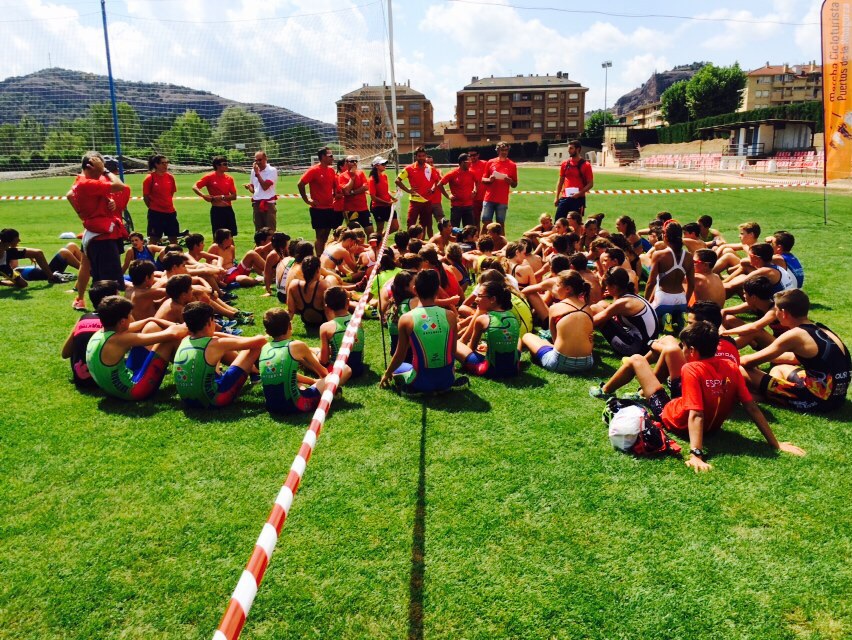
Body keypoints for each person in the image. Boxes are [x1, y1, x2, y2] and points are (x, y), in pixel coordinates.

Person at [590, 321, 804, 472]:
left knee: (637, 360)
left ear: (692, 350)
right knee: (668, 355)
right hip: (707, 423)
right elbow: (751, 407)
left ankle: (605, 390)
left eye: (683, 347)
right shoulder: (731, 366)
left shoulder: (691, 369)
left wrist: (696, 454)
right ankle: (634, 390)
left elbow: (696, 414)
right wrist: (775, 444)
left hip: (673, 417)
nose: (682, 350)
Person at [741, 289, 851, 413]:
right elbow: (793, 358)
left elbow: (746, 362)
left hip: (817, 401)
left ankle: (769, 397)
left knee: (740, 369)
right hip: (837, 398)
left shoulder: (796, 335)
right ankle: (772, 395)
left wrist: (730, 357)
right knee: (779, 369)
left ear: (783, 313)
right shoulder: (821, 329)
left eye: (776, 310)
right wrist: (764, 356)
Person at [380, 269, 467, 394]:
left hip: (419, 382)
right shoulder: (450, 316)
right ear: (437, 291)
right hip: (447, 379)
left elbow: (400, 354)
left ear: (415, 290)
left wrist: (387, 373)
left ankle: (416, 388)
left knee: (400, 367)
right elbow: (452, 350)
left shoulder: (406, 318)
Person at [85, 296, 187, 401]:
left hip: (113, 389)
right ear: (122, 322)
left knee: (151, 326)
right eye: (130, 314)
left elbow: (146, 322)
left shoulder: (100, 333)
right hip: (134, 391)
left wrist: (151, 319)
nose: (131, 317)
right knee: (168, 341)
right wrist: (187, 325)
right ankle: (188, 379)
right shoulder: (120, 339)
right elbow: (173, 334)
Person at [173, 301, 266, 408]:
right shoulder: (215, 344)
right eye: (214, 321)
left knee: (215, 343)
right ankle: (255, 373)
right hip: (214, 400)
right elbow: (260, 341)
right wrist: (252, 338)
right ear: (209, 322)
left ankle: (254, 372)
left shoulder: (185, 340)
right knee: (254, 348)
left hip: (188, 400)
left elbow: (215, 337)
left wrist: (217, 334)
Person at [260, 307, 351, 415]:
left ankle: (306, 390)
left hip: (272, 407)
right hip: (297, 406)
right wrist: (322, 382)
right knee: (345, 369)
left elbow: (284, 375)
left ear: (267, 331)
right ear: (290, 326)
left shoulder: (264, 348)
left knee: (289, 380)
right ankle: (328, 394)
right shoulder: (296, 345)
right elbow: (323, 373)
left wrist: (312, 381)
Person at [66, 151, 130, 291]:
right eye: (100, 167)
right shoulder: (88, 183)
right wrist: (105, 170)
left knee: (87, 266)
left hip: (93, 230)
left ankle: (80, 297)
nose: (101, 172)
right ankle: (106, 302)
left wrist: (107, 201)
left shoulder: (80, 180)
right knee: (109, 280)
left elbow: (70, 195)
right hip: (103, 235)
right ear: (91, 166)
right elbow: (120, 186)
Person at [522, 271, 595, 374]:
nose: (554, 288)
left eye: (557, 285)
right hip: (587, 363)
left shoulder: (555, 308)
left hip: (560, 363)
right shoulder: (588, 308)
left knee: (528, 336)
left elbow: (555, 340)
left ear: (568, 289)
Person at [456, 280, 521, 378]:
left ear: (493, 299)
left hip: (490, 371)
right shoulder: (512, 316)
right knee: (519, 339)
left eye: (480, 296)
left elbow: (471, 348)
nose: (476, 299)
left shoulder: (482, 319)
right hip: (513, 369)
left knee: (454, 343)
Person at [61, 280, 119, 387]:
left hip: (80, 379)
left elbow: (65, 353)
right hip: (103, 380)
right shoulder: (114, 322)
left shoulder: (83, 318)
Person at [592, 267, 659, 356]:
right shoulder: (631, 296)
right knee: (601, 303)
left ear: (614, 287)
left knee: (595, 309)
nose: (606, 288)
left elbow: (595, 320)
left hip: (639, 349)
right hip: (647, 344)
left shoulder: (623, 302)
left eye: (607, 285)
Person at [297, 147, 341, 256]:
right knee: (320, 235)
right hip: (318, 209)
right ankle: (318, 258)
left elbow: (334, 186)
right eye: (330, 156)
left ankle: (323, 257)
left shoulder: (331, 170)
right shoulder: (314, 170)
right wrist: (307, 200)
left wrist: (336, 193)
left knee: (326, 234)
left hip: (330, 207)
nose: (333, 158)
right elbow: (300, 184)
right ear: (323, 157)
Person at [319, 286, 365, 377]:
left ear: (327, 307)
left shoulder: (325, 327)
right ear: (347, 302)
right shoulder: (358, 321)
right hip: (358, 369)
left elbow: (324, 360)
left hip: (338, 372)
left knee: (314, 354)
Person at [396, 146, 441, 238]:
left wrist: (433, 189)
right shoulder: (409, 168)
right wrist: (408, 190)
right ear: (415, 157)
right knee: (410, 223)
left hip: (427, 201)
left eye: (423, 156)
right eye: (419, 156)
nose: (422, 158)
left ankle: (423, 243)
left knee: (425, 225)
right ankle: (409, 242)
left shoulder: (430, 168)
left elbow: (437, 181)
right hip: (414, 201)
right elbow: (397, 180)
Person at [193, 156, 238, 236]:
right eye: (224, 164)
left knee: (230, 235)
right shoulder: (209, 177)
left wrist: (222, 197)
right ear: (217, 165)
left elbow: (234, 196)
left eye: (227, 164)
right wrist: (203, 195)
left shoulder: (229, 178)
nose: (227, 166)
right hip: (217, 211)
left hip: (228, 209)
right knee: (218, 236)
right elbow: (195, 187)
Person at [480, 141, 518, 233]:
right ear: (497, 151)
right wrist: (489, 180)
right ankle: (482, 241)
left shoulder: (512, 165)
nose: (504, 152)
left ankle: (502, 242)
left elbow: (515, 184)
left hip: (502, 200)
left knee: (500, 224)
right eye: (502, 150)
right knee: (486, 223)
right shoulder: (490, 162)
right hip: (489, 198)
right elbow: (483, 179)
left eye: (506, 150)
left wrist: (510, 181)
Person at [143, 154, 180, 244]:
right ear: (156, 164)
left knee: (173, 238)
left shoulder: (170, 177)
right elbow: (146, 197)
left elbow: (171, 193)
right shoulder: (150, 178)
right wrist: (154, 207)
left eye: (167, 162)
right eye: (163, 163)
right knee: (153, 239)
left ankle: (174, 253)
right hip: (156, 213)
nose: (165, 165)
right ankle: (150, 254)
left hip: (170, 212)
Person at [553, 139, 593, 220]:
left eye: (571, 148)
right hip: (565, 198)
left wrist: (579, 193)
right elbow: (560, 181)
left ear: (578, 149)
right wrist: (556, 197)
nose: (569, 150)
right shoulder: (565, 164)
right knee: (558, 222)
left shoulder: (586, 165)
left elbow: (590, 184)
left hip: (578, 199)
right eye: (568, 148)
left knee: (575, 224)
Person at [287, 255, 329, 328]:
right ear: (318, 269)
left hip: (307, 321)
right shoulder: (323, 285)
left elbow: (290, 311)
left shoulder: (294, 285)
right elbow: (329, 310)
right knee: (331, 278)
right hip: (323, 321)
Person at [244, 150, 278, 232]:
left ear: (266, 159)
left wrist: (257, 174)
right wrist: (249, 187)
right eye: (256, 160)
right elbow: (254, 190)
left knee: (270, 230)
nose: (258, 162)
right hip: (257, 203)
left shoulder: (272, 170)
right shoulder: (253, 171)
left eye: (260, 160)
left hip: (268, 204)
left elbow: (265, 187)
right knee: (258, 231)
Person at [342, 155, 372, 233]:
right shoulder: (342, 176)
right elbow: (346, 191)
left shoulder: (361, 173)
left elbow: (366, 187)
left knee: (370, 230)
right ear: (346, 163)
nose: (355, 163)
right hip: (350, 209)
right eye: (352, 161)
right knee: (354, 233)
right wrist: (352, 178)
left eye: (356, 161)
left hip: (363, 208)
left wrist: (352, 192)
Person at [368, 156, 398, 236]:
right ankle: (378, 241)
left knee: (395, 227)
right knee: (380, 228)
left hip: (387, 205)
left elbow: (385, 191)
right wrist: (386, 202)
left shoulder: (384, 176)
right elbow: (373, 197)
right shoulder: (372, 179)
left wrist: (392, 198)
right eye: (383, 164)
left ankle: (380, 238)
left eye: (385, 164)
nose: (385, 165)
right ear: (376, 166)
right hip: (378, 207)